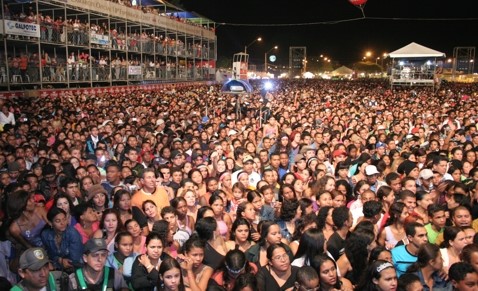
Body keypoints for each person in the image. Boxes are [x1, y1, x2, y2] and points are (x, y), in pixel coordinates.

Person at [40, 207, 83, 272]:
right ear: (50, 223)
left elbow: (74, 260)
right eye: (58, 221)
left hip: (75, 269)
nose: (62, 223)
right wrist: (60, 260)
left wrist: (58, 261)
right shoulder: (45, 235)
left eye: (64, 219)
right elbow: (47, 253)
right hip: (55, 267)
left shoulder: (73, 234)